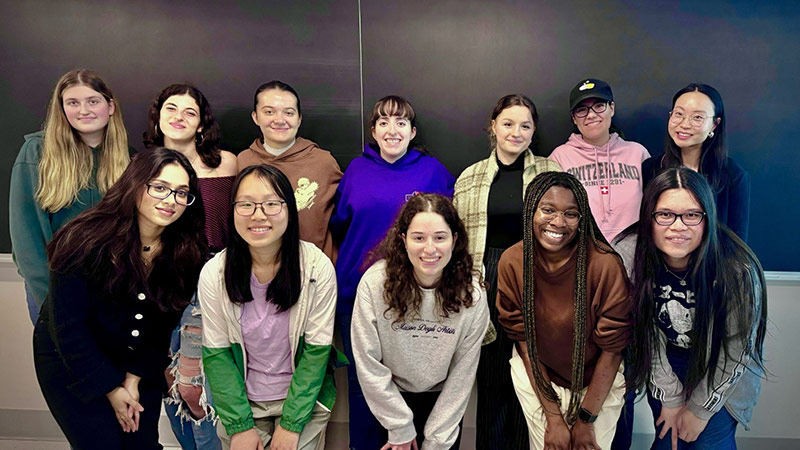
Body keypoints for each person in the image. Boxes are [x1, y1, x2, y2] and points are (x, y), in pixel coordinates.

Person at [33, 147, 207, 449]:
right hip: (72, 360)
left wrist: (132, 379)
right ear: (136, 184)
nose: (171, 200)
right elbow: (68, 329)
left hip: (138, 362)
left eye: (181, 193)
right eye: (160, 187)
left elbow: (162, 325)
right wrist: (111, 388)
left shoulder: (185, 250)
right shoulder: (83, 239)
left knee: (142, 445)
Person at [330, 95, 455, 449]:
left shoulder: (432, 171)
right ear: (373, 131)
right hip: (357, 293)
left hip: (417, 296)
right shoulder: (356, 169)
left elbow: (449, 228)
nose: (392, 129)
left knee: (411, 381)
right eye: (383, 122)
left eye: (401, 122)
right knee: (362, 381)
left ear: (412, 131)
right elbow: (339, 225)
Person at [614, 168, 766, 450]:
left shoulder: (737, 268)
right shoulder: (629, 252)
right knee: (668, 442)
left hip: (720, 364)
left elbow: (736, 351)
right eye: (665, 214)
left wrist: (700, 410)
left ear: (707, 218)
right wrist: (669, 399)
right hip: (666, 360)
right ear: (649, 218)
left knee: (708, 442)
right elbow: (642, 333)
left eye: (692, 215)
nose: (678, 226)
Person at [200, 165, 343, 450]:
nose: (258, 215)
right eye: (246, 204)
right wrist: (240, 426)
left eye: (271, 204)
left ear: (289, 209)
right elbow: (217, 356)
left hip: (303, 400)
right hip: (242, 401)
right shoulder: (215, 272)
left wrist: (290, 425)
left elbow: (316, 354)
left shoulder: (316, 267)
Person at [452, 94, 561, 450]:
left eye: (525, 125)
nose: (517, 132)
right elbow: (458, 242)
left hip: (536, 279)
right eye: (508, 123)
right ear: (493, 127)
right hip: (485, 280)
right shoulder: (470, 177)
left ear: (533, 131)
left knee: (533, 376)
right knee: (493, 378)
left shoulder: (551, 173)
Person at [497, 171, 632, 450]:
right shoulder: (512, 262)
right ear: (531, 211)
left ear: (582, 219)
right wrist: (553, 418)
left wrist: (585, 421)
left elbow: (613, 348)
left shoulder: (604, 265)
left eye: (570, 214)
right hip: (540, 374)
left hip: (597, 378)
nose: (558, 222)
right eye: (547, 210)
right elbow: (524, 342)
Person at [351, 193, 489, 450]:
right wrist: (399, 427)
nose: (429, 249)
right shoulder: (374, 284)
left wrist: (437, 440)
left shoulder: (473, 295)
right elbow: (367, 361)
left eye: (440, 237)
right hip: (387, 400)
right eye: (418, 238)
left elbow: (463, 375)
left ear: (454, 239)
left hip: (442, 405)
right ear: (403, 240)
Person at [144, 83, 238, 449]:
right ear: (159, 117)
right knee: (168, 380)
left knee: (196, 388)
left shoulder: (225, 163)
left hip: (211, 281)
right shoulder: (144, 165)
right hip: (160, 279)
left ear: (202, 124)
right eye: (171, 109)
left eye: (190, 112)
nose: (179, 117)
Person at [10, 68, 130, 324]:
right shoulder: (37, 152)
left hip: (111, 289)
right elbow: (26, 235)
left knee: (105, 364)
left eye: (93, 101)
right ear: (62, 108)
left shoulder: (128, 160)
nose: (83, 110)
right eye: (73, 102)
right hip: (53, 287)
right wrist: (50, 299)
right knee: (62, 362)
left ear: (110, 107)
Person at [237, 80, 342, 260]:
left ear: (299, 118)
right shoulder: (243, 161)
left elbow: (344, 219)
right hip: (258, 267)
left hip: (314, 271)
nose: (279, 120)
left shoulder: (324, 162)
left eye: (289, 112)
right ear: (255, 117)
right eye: (269, 112)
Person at [641, 84, 750, 241]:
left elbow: (737, 241)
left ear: (714, 124)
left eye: (698, 117)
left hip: (714, 264)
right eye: (679, 114)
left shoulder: (733, 176)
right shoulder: (650, 169)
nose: (684, 124)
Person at [549, 78, 649, 243]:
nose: (591, 115)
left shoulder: (638, 153)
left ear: (612, 108)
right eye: (582, 110)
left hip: (635, 253)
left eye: (599, 106)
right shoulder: (559, 157)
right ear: (574, 118)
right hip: (581, 254)